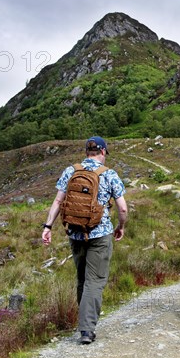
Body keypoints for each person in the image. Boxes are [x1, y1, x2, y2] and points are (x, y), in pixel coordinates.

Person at [41, 136, 128, 344]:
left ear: (87, 151)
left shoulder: (71, 171)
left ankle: (84, 323)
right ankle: (87, 329)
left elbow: (58, 200)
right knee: (95, 281)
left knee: (82, 279)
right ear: (103, 152)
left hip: (75, 233)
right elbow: (122, 208)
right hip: (100, 233)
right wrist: (121, 226)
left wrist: (47, 226)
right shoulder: (109, 174)